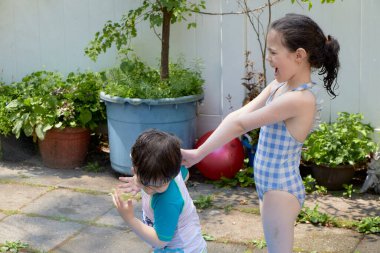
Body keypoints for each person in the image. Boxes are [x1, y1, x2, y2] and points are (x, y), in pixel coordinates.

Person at [181, 13, 340, 253]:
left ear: (299, 55)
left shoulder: (300, 100)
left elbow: (242, 125)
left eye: (274, 52)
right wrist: (197, 152)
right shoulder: (279, 86)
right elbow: (237, 117)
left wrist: (198, 154)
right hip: (267, 185)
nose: (267, 58)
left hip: (281, 190)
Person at [112, 129, 207, 253]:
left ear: (172, 175)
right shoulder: (169, 169)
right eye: (145, 182)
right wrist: (138, 181)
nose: (150, 189)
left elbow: (160, 241)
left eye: (158, 185)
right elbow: (186, 174)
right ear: (135, 169)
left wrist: (130, 219)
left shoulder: (167, 202)